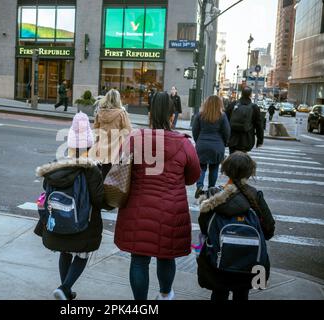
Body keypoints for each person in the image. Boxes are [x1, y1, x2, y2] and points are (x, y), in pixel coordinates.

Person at [114, 92, 201, 300]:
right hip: (171, 210)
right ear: (172, 116)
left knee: (139, 259)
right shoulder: (184, 143)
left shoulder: (135, 138)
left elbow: (119, 166)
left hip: (137, 209)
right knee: (166, 256)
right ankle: (164, 295)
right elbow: (193, 177)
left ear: (150, 115)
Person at [34, 112, 104, 300]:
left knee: (65, 252)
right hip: (83, 225)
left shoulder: (57, 166)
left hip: (58, 223)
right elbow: (99, 200)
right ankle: (65, 288)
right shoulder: (92, 169)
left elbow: (46, 189)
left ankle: (66, 291)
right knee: (81, 255)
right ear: (90, 144)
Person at [197, 152, 275, 301]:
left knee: (219, 294)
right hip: (248, 263)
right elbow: (269, 228)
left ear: (225, 170)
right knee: (242, 294)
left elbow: (204, 227)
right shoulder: (255, 195)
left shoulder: (213, 195)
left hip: (217, 261)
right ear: (250, 171)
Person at [192, 95, 231, 199]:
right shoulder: (222, 116)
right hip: (217, 146)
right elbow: (227, 132)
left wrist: (198, 141)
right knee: (214, 168)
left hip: (202, 145)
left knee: (201, 167)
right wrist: (224, 143)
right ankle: (211, 188)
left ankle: (199, 186)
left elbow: (195, 131)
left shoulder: (200, 115)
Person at [93, 88, 132, 180]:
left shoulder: (100, 112)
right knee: (114, 177)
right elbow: (128, 130)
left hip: (103, 147)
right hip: (116, 148)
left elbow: (96, 129)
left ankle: (103, 192)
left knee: (104, 173)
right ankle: (111, 192)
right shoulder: (121, 113)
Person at [225, 86, 264, 154]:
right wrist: (260, 141)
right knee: (243, 160)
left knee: (232, 158)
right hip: (246, 139)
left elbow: (225, 121)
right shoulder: (254, 107)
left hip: (232, 138)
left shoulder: (233, 104)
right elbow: (259, 125)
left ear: (241, 94)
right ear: (250, 95)